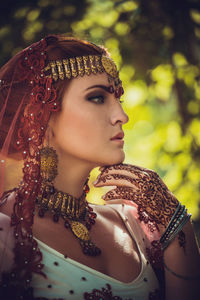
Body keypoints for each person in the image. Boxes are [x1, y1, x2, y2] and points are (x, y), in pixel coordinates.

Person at [0, 34, 199, 300]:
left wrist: (176, 222)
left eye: (118, 99)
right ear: (39, 117)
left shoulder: (134, 224)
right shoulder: (8, 233)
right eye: (97, 98)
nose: (122, 116)